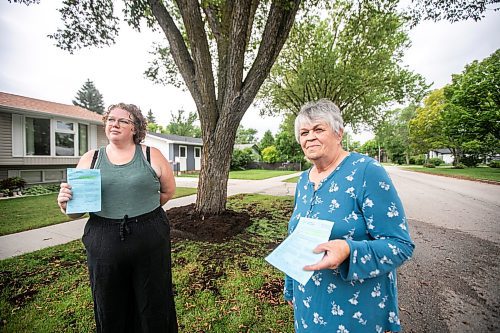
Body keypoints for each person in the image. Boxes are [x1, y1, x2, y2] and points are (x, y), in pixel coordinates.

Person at [283, 99, 414, 333]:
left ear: (339, 133)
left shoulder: (366, 171)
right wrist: (291, 288)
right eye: (304, 132)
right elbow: (297, 238)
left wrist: (349, 251)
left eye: (318, 129)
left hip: (356, 311)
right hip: (308, 304)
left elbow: (400, 246)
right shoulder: (303, 180)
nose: (309, 137)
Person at [57, 103, 178, 332]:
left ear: (135, 128)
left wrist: (142, 214)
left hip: (150, 239)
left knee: (154, 302)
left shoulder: (152, 155)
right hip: (103, 241)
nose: (115, 124)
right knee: (109, 304)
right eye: (111, 119)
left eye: (123, 120)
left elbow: (167, 191)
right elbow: (76, 211)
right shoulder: (91, 159)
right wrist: (65, 203)